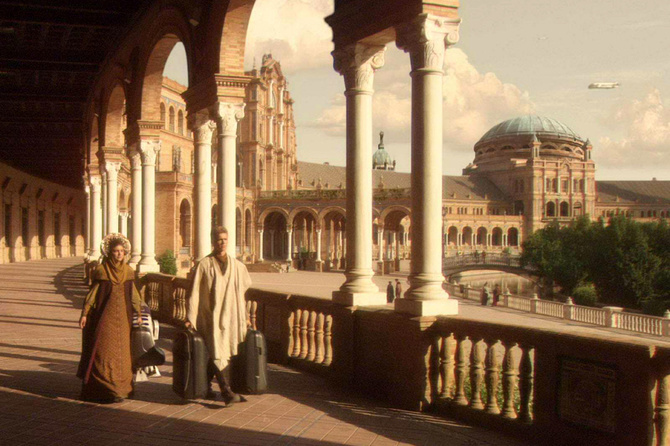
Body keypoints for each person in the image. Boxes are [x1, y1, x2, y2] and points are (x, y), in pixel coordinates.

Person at [186, 226, 252, 406]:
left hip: (230, 314)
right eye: (218, 240)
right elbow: (194, 293)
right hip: (210, 316)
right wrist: (190, 316)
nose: (222, 243)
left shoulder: (237, 266)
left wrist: (245, 315)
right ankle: (226, 391)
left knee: (220, 350)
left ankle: (207, 388)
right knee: (216, 350)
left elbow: (242, 292)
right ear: (213, 241)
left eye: (225, 239)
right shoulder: (204, 265)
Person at [77, 233, 143, 403]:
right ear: (109, 253)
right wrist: (85, 313)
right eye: (116, 251)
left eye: (121, 251)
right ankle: (103, 389)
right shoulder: (101, 271)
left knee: (123, 354)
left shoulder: (128, 271)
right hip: (105, 320)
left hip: (123, 319)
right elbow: (93, 295)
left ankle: (121, 390)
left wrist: (140, 313)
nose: (119, 254)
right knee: (104, 353)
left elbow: (134, 295)